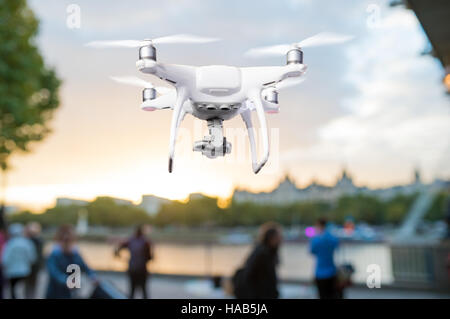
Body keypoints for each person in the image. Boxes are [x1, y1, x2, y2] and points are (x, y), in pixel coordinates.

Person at [46, 224, 97, 299]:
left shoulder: (75, 253)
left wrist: (93, 276)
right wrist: (67, 281)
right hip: (56, 291)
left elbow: (85, 267)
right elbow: (54, 273)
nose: (68, 243)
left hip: (71, 291)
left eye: (70, 240)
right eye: (65, 240)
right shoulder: (54, 254)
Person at [233, 222, 282, 299]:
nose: (281, 238)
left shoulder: (265, 251)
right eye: (279, 236)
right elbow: (250, 276)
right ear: (271, 238)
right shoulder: (263, 253)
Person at [115, 225, 153, 299]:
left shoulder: (130, 241)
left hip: (132, 269)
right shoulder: (146, 242)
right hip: (142, 270)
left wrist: (122, 258)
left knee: (132, 292)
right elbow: (150, 257)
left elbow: (117, 250)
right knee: (144, 292)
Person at [2, 223, 37, 299]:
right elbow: (32, 258)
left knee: (13, 290)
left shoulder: (10, 244)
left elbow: (5, 259)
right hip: (25, 271)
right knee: (24, 290)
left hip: (12, 272)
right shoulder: (27, 243)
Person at [310, 217, 340, 299]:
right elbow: (337, 247)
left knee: (322, 295)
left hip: (319, 272)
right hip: (331, 271)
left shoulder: (316, 239)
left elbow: (312, 251)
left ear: (319, 225)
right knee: (332, 295)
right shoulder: (332, 238)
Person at [24, 222, 44, 299]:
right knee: (32, 286)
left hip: (32, 266)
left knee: (29, 286)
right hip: (34, 266)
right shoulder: (39, 241)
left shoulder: (28, 241)